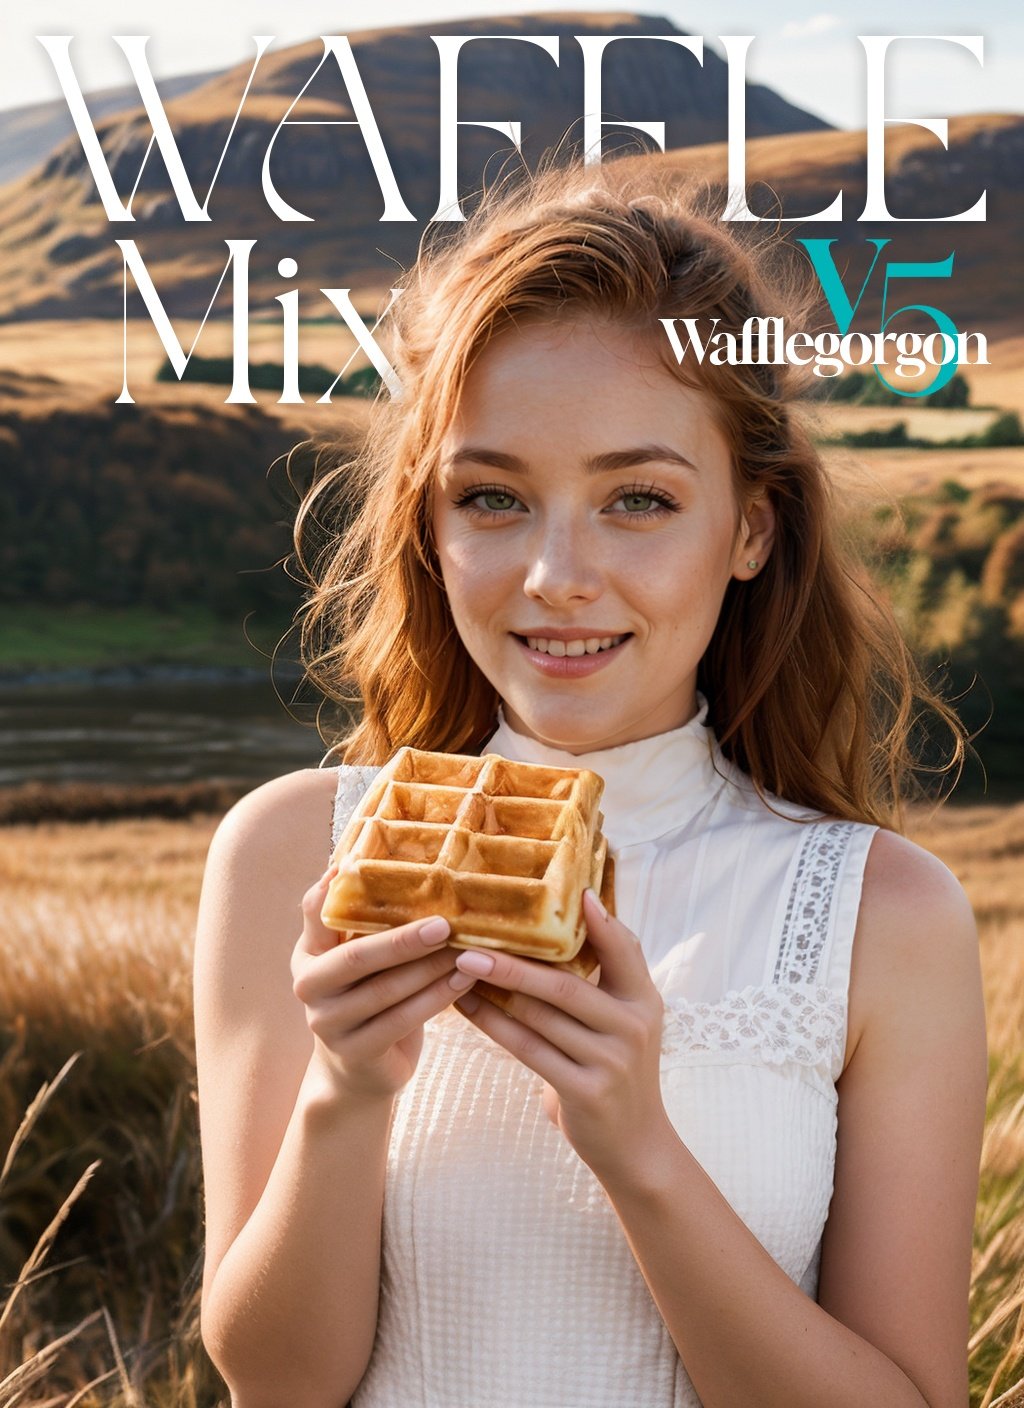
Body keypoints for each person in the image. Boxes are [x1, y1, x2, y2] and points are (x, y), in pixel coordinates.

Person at [193, 161, 988, 1408]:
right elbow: (275, 1381)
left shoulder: (884, 916)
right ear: (429, 525)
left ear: (751, 529)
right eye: (494, 497)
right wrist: (347, 1092)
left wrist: (641, 1157)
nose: (558, 574)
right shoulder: (294, 853)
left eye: (638, 500)